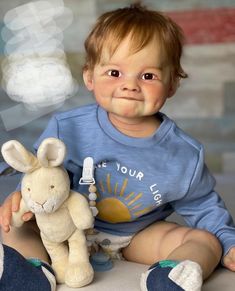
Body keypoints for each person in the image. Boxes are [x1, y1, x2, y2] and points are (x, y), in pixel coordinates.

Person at [1, 4, 235, 291]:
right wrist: (18, 197)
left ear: (172, 83)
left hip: (136, 236)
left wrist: (228, 241)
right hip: (65, 229)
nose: (130, 86)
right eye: (114, 73)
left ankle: (169, 276)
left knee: (205, 241)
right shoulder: (67, 127)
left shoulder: (183, 153)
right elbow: (39, 173)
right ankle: (32, 272)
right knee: (15, 224)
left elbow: (202, 206)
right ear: (89, 77)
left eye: (148, 76)